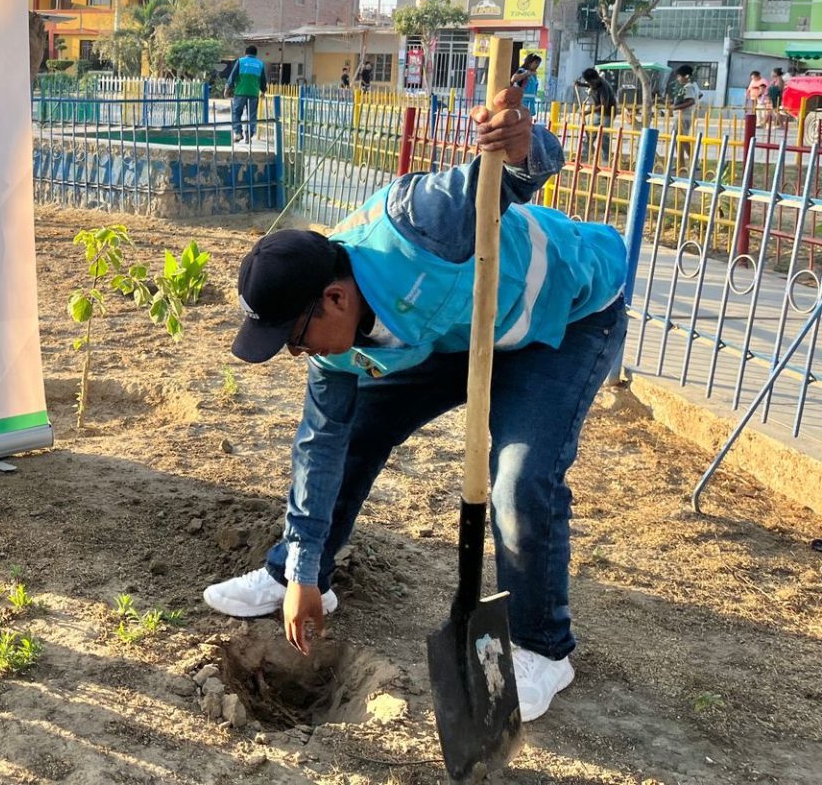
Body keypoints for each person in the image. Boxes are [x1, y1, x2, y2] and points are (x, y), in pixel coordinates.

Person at [201, 85, 627, 724]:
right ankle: (296, 569)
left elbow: (515, 172)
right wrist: (304, 575)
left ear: (336, 300)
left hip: (563, 316)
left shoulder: (417, 221)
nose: (294, 354)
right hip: (458, 330)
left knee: (519, 479)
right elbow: (319, 448)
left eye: (293, 336)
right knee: (354, 429)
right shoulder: (333, 344)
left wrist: (519, 144)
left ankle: (543, 647)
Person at [575, 67, 617, 163]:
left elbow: (604, 105)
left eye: (589, 82)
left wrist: (587, 112)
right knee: (590, 134)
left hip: (607, 114)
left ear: (594, 79)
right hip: (597, 112)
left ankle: (605, 162)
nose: (589, 84)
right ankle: (584, 157)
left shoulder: (603, 87)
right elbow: (590, 86)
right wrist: (581, 84)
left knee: (604, 137)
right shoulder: (594, 84)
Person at [226, 45, 266, 143]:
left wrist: (228, 88)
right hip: (253, 93)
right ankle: (249, 135)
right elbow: (263, 80)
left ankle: (238, 133)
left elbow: (233, 76)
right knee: (252, 115)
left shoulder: (240, 61)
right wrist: (263, 91)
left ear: (245, 53)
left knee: (236, 112)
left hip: (240, 92)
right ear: (256, 54)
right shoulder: (260, 64)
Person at [669, 65, 701, 171]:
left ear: (686, 76)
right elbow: (699, 95)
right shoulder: (694, 85)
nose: (678, 79)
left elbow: (691, 100)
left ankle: (692, 162)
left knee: (682, 139)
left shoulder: (688, 87)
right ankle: (681, 162)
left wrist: (675, 107)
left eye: (679, 76)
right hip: (686, 115)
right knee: (679, 139)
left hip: (683, 116)